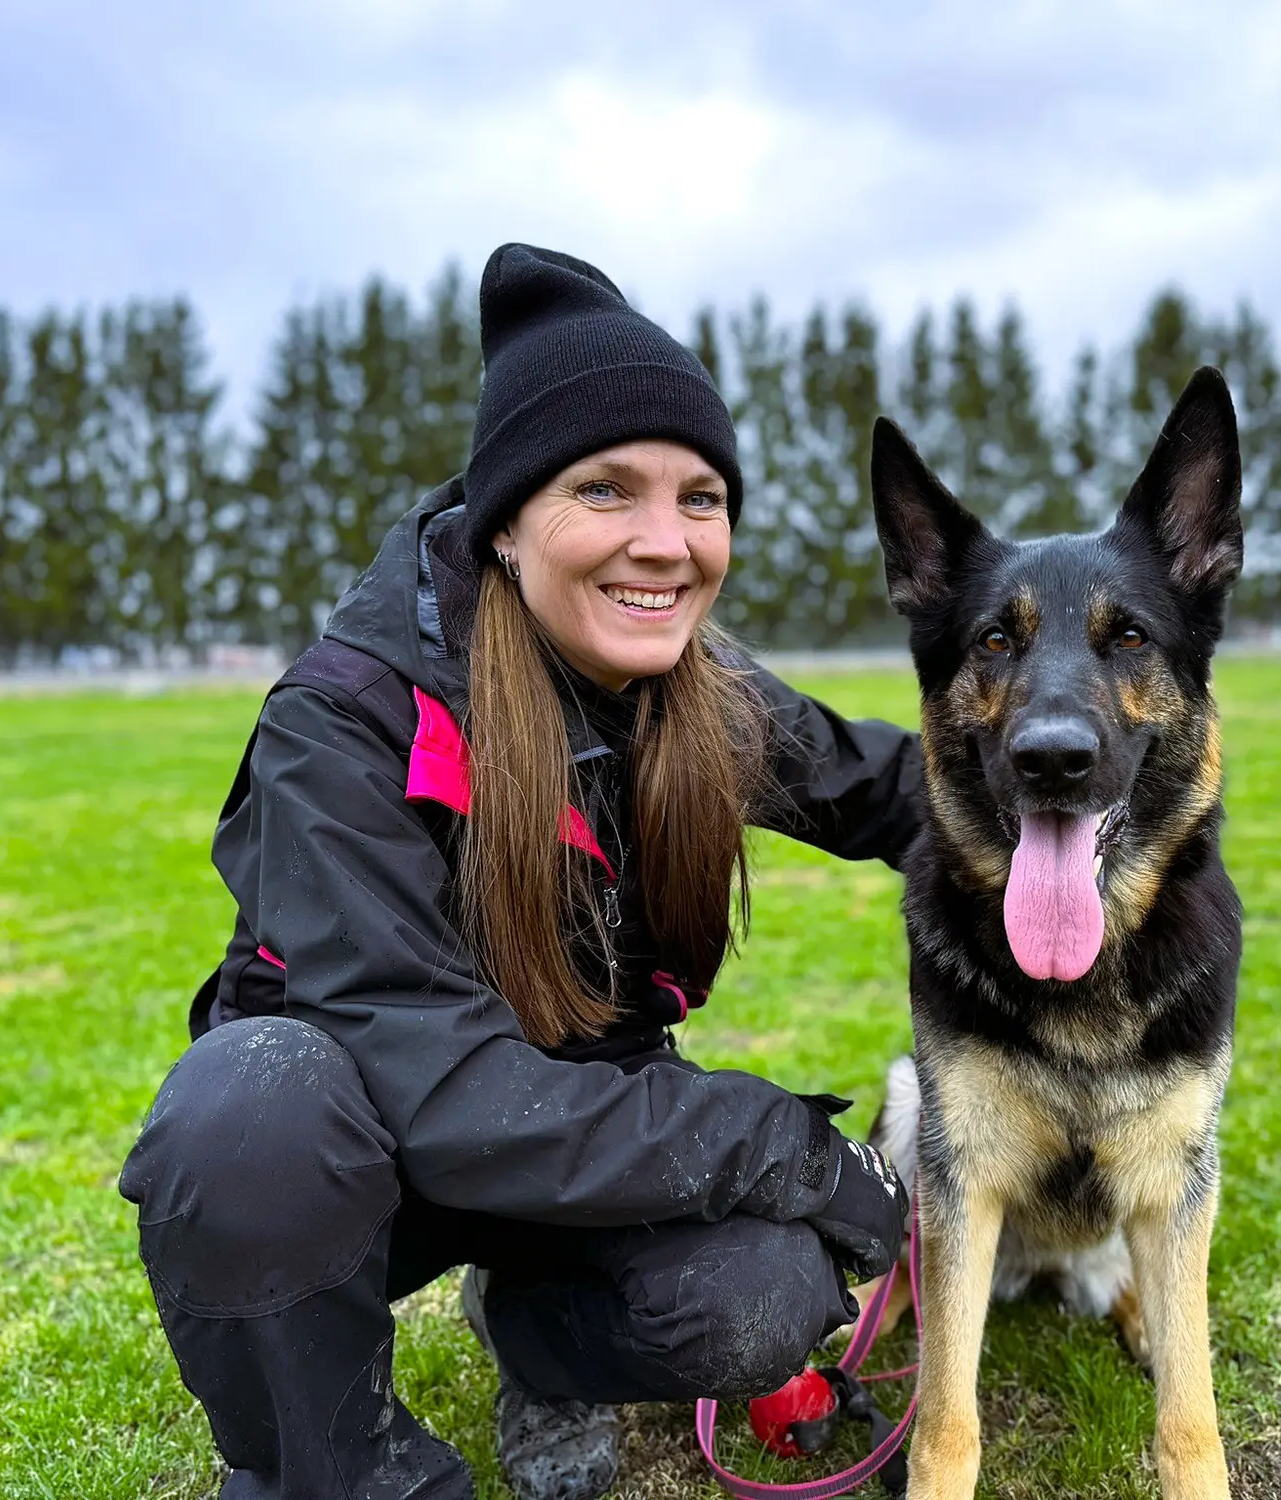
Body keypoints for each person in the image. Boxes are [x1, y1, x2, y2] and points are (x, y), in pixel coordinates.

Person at [120, 245, 918, 1500]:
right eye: (605, 490)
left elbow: (900, 794)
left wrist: (1082, 802)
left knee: (764, 1293)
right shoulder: (346, 721)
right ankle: (331, 1465)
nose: (666, 543)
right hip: (374, 1162)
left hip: (581, 1143)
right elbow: (439, 1090)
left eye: (700, 498)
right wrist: (789, 1145)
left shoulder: (695, 693)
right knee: (246, 1110)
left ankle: (536, 1342)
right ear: (503, 523)